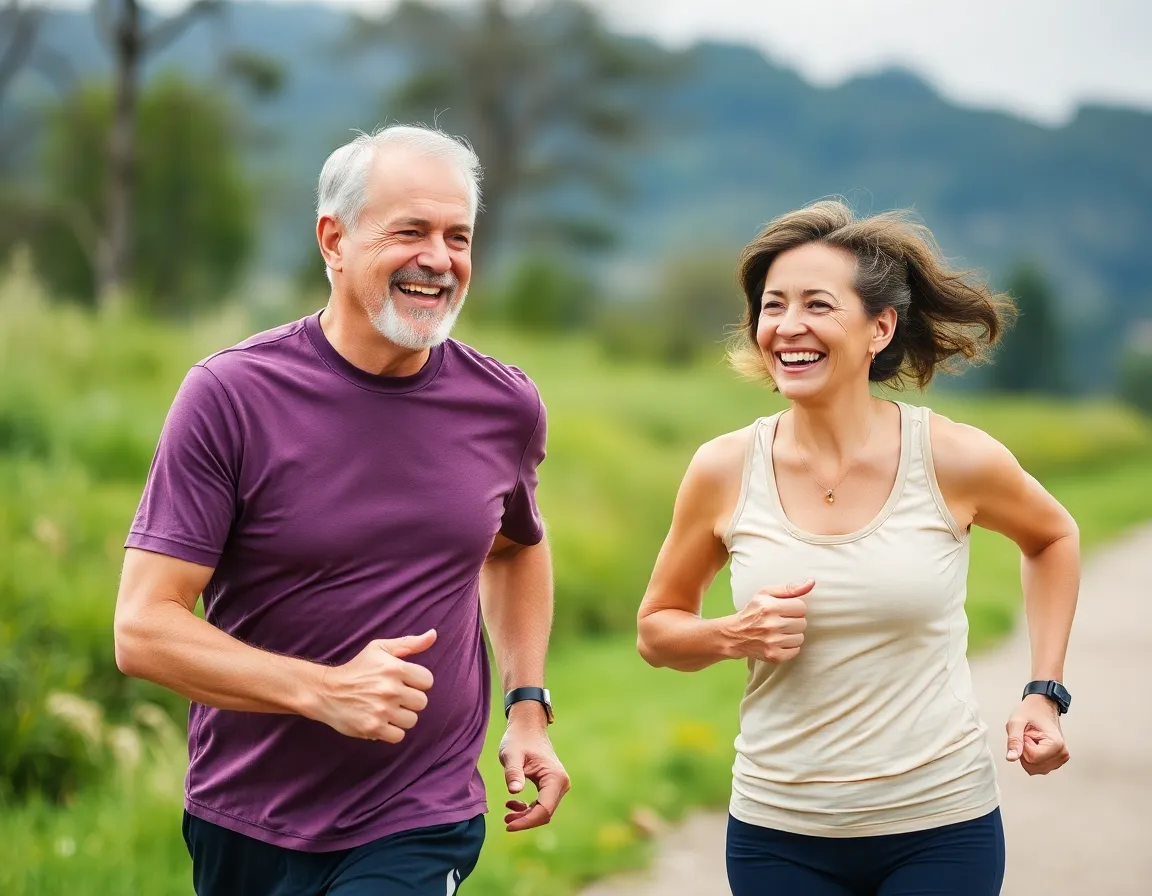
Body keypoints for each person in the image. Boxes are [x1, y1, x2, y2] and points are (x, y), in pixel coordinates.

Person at [113, 124, 569, 896]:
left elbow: (516, 544)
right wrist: (323, 691)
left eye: (458, 236)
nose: (439, 259)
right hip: (247, 814)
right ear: (334, 240)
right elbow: (143, 629)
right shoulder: (230, 396)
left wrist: (527, 707)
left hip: (420, 811)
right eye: (411, 231)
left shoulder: (504, 404)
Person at [636, 199, 1079, 896]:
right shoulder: (723, 469)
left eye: (817, 304)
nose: (788, 325)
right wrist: (733, 634)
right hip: (778, 835)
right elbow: (656, 631)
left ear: (881, 327)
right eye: (773, 306)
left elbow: (1052, 536)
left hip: (941, 826)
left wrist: (1043, 693)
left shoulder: (952, 458)